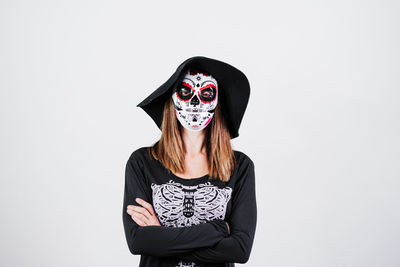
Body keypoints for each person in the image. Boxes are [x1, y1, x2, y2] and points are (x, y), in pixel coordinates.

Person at [122, 56, 257, 267]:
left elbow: (240, 249)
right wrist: (218, 230)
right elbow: (138, 241)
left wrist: (161, 236)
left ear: (217, 103)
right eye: (185, 92)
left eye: (206, 94)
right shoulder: (142, 163)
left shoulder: (239, 166)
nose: (195, 102)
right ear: (172, 100)